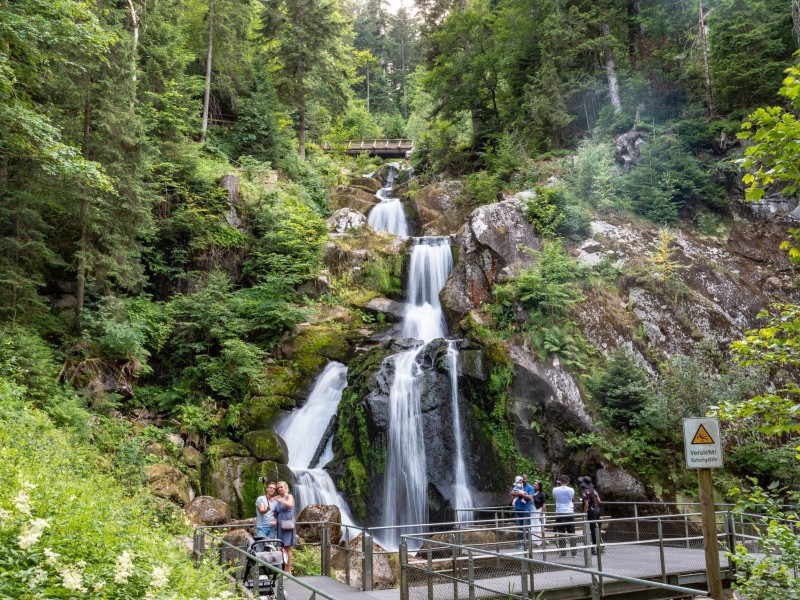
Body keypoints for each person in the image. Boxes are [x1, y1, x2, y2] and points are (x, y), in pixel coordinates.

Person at [274, 480, 296, 574]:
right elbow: (276, 511)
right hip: (280, 525)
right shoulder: (277, 498)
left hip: (287, 525)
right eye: (278, 488)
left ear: (285, 487)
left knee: (287, 548)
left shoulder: (289, 496)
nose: (279, 489)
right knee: (282, 548)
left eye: (281, 487)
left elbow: (290, 504)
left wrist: (280, 500)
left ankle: (288, 569)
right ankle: (283, 568)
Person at [552, 475, 577, 556]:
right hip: (570, 512)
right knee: (572, 532)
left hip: (560, 512)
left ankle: (563, 552)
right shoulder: (571, 490)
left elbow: (554, 497)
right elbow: (571, 498)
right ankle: (574, 553)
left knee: (561, 532)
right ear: (568, 481)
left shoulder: (555, 489)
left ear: (560, 481)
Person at [509, 474, 534, 550]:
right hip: (518, 509)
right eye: (523, 479)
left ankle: (527, 543)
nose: (524, 480)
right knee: (519, 527)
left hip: (526, 509)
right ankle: (520, 544)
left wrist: (520, 494)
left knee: (526, 527)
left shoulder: (530, 487)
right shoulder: (518, 485)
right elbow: (512, 493)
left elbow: (530, 497)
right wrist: (519, 494)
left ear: (528, 479)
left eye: (526, 478)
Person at [579, 476, 602, 554]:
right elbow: (599, 500)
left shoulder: (584, 492)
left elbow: (586, 504)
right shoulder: (593, 490)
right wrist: (594, 503)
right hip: (597, 510)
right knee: (597, 528)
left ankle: (594, 548)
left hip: (591, 511)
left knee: (592, 529)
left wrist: (585, 513)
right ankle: (599, 546)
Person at [530, 480, 546, 547]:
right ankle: (533, 542)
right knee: (532, 526)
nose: (534, 485)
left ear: (539, 487)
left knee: (538, 526)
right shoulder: (531, 493)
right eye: (534, 484)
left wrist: (541, 514)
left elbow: (544, 504)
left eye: (536, 485)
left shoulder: (541, 494)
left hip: (538, 511)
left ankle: (539, 542)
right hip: (532, 511)